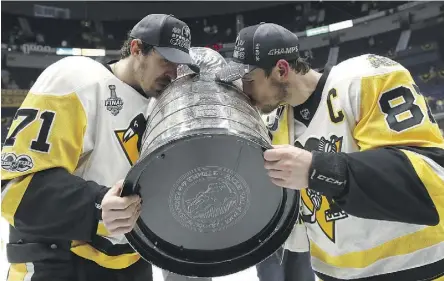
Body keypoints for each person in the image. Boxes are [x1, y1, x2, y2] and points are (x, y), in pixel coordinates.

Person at [217, 22, 444, 281]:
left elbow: (432, 182)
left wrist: (319, 169)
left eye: (249, 81)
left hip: (417, 268)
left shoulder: (365, 79)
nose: (245, 93)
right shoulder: (274, 125)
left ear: (281, 70)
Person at [1, 14, 195, 281]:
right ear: (137, 49)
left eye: (179, 65)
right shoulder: (76, 80)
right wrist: (95, 205)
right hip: (61, 263)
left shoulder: (161, 104)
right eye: (165, 61)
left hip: (132, 260)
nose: (172, 73)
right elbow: (15, 188)